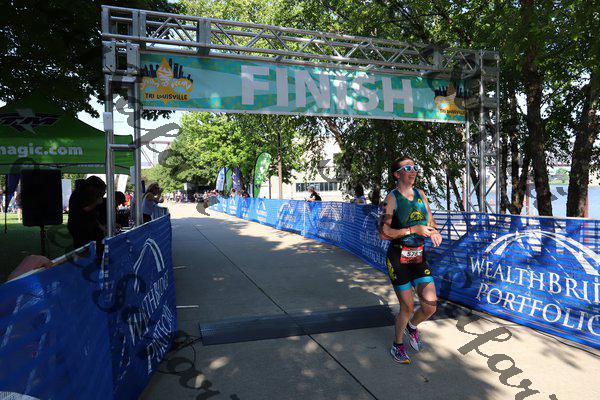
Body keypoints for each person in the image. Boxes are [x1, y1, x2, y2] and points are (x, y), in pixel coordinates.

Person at [379, 156, 442, 364]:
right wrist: (413, 229)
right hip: (398, 257)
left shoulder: (421, 194)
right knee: (406, 306)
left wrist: (434, 231)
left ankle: (412, 326)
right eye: (407, 168)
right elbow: (383, 233)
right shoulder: (392, 198)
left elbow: (430, 220)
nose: (413, 171)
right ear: (397, 175)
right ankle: (397, 345)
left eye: (414, 167)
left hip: (418, 256)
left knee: (430, 305)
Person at [67, 176, 107, 250]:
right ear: (92, 187)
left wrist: (100, 226)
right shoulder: (79, 194)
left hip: (86, 226)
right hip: (78, 226)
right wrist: (96, 202)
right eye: (98, 189)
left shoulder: (88, 194)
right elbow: (84, 209)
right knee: (82, 249)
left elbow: (91, 215)